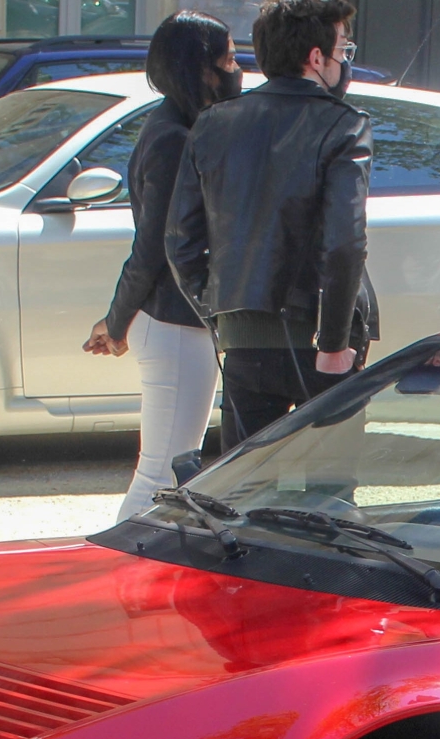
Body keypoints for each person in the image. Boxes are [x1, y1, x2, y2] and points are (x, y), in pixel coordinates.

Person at [167, 0, 375, 446]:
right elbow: (344, 243)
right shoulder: (344, 125)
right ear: (316, 58)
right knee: (327, 492)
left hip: (244, 336)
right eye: (343, 49)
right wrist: (335, 342)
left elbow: (181, 242)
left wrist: (219, 315)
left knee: (243, 489)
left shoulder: (212, 124)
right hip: (324, 337)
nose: (345, 61)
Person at [88, 12, 238, 517]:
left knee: (166, 472)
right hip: (175, 323)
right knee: (161, 475)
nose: (237, 71)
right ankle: (120, 576)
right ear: (200, 67)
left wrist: (118, 317)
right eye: (230, 59)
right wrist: (116, 319)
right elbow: (155, 244)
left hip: (174, 323)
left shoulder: (174, 125)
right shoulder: (174, 136)